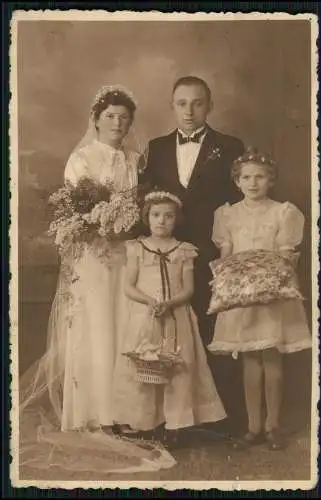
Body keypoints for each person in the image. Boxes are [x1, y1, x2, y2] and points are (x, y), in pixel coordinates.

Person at [19, 85, 175, 474]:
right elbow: (76, 207)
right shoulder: (81, 158)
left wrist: (126, 220)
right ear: (96, 119)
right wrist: (100, 221)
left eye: (124, 117)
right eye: (111, 116)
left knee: (122, 327)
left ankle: (120, 411)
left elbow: (143, 206)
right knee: (95, 326)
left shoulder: (135, 160)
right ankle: (92, 412)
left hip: (125, 252)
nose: (118, 123)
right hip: (93, 254)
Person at [138, 75, 245, 434]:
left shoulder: (229, 145)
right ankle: (172, 417)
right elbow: (146, 204)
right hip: (168, 256)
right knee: (169, 331)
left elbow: (239, 202)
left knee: (215, 327)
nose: (189, 110)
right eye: (182, 103)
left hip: (215, 252)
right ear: (171, 105)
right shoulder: (156, 147)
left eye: (197, 103)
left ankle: (218, 418)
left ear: (209, 106)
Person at [207, 147, 312, 450]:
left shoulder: (284, 212)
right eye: (246, 177)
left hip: (271, 293)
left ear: (271, 180)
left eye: (260, 177)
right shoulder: (227, 214)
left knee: (272, 358)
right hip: (241, 296)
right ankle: (253, 426)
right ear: (237, 181)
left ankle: (273, 426)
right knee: (250, 360)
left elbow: (286, 254)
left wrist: (272, 280)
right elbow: (225, 254)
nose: (253, 183)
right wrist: (224, 283)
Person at [111, 191, 227, 446]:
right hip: (145, 316)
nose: (161, 221)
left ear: (177, 220)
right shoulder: (137, 248)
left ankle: (176, 422)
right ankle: (144, 421)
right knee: (145, 363)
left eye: (168, 216)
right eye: (155, 215)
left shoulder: (184, 251)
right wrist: (149, 301)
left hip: (176, 316)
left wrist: (169, 303)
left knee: (178, 365)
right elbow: (128, 286)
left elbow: (188, 289)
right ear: (147, 217)